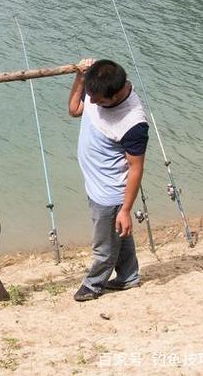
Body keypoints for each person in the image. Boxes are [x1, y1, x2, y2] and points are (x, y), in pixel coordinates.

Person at [68, 58, 149, 302]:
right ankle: (128, 276)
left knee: (104, 246)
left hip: (111, 193)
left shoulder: (133, 123)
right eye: (89, 95)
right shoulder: (98, 90)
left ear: (114, 96)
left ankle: (93, 285)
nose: (90, 102)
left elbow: (136, 168)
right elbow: (74, 110)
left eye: (97, 100)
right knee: (118, 234)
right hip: (95, 185)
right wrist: (80, 77)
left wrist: (125, 209)